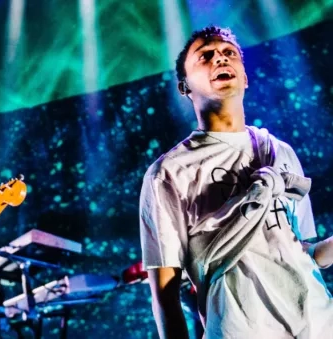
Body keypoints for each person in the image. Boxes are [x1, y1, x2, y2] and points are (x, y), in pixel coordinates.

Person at [140, 26, 333, 338]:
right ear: (184, 86)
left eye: (229, 53)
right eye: (205, 56)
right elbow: (165, 295)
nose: (220, 58)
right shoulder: (169, 172)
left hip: (320, 325)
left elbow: (305, 251)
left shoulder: (280, 151)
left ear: (245, 77)